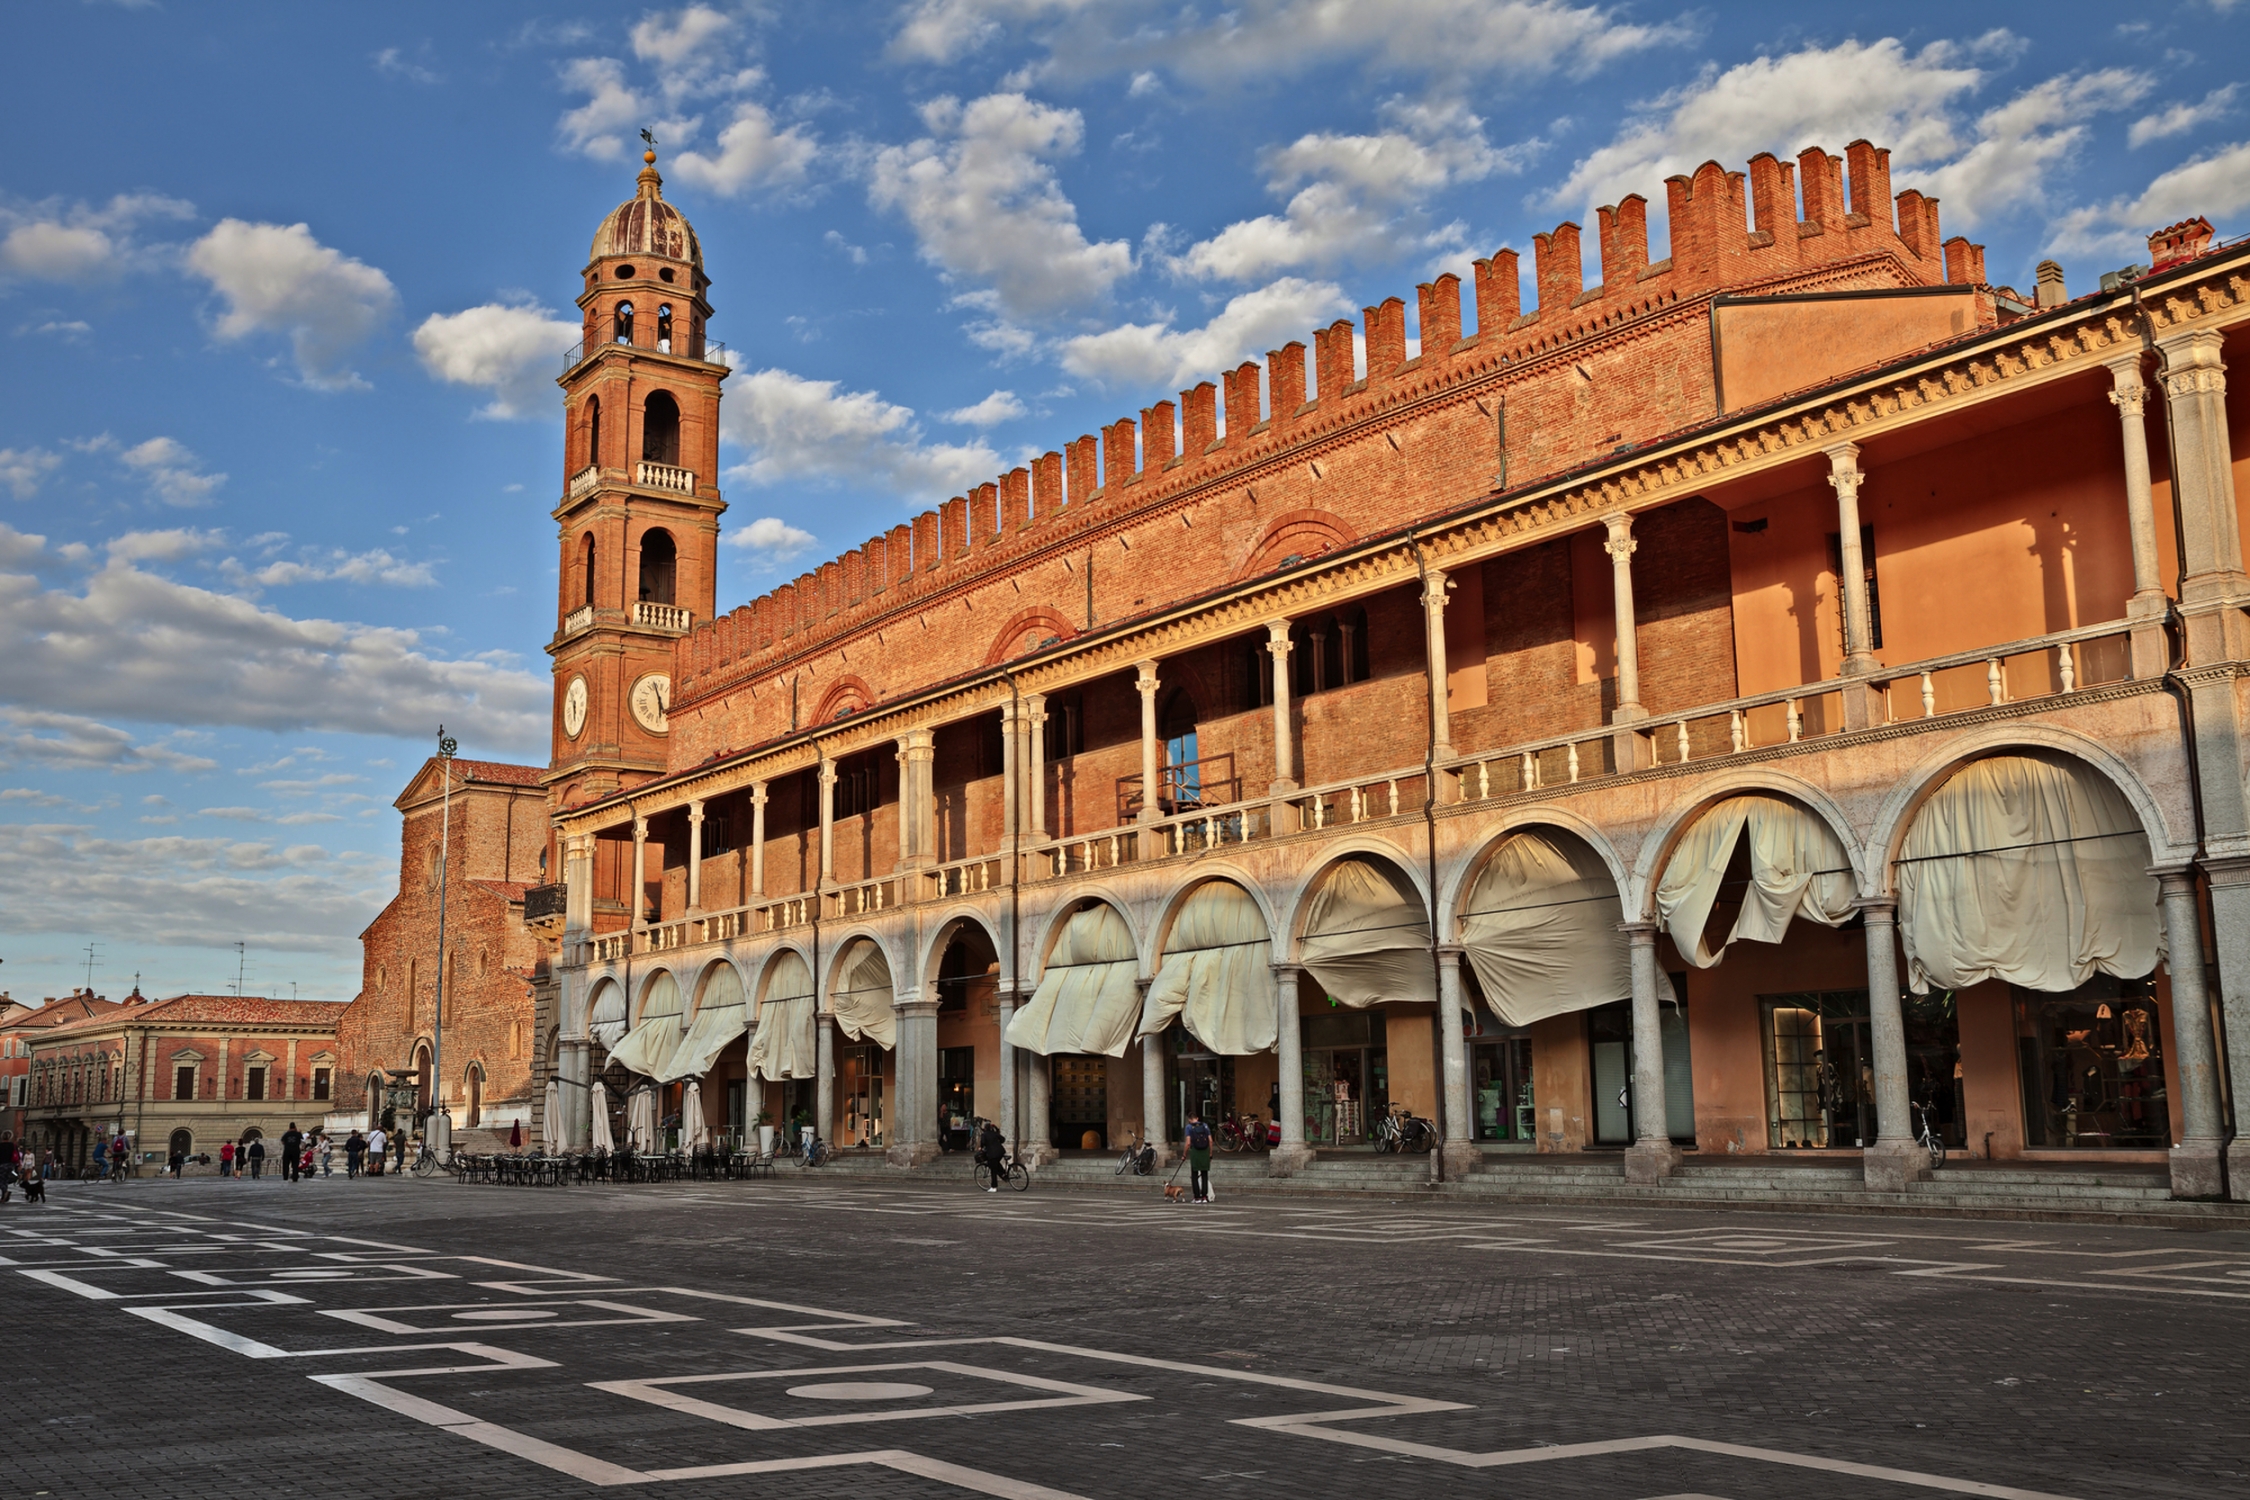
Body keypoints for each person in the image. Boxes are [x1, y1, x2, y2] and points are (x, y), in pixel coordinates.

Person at [1184, 1113, 1213, 1204]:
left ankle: (1196, 1197)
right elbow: (1211, 1141)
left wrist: (1184, 1154)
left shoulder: (1189, 1127)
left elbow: (1188, 1143)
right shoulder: (1205, 1125)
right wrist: (1210, 1153)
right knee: (1204, 1174)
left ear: (1189, 1120)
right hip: (1205, 1152)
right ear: (1197, 1118)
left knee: (1194, 1175)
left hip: (1195, 1152)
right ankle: (1204, 1196)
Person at [976, 1117, 1006, 1192]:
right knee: (996, 1164)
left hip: (992, 1153)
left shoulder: (984, 1135)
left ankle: (994, 1186)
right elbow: (1003, 1139)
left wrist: (981, 1147)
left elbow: (983, 1143)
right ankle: (1003, 1174)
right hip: (1000, 1151)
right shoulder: (994, 1133)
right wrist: (997, 1143)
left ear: (985, 1128)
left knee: (993, 1169)